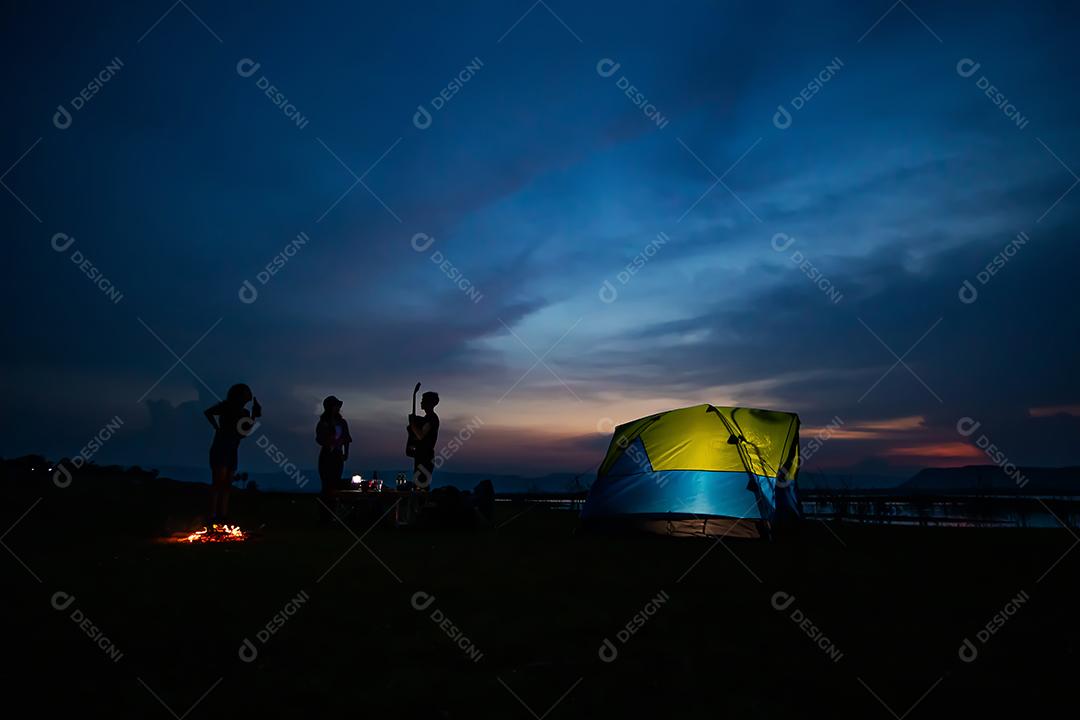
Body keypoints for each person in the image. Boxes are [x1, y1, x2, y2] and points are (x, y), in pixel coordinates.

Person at [204, 384, 261, 525]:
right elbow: (208, 412)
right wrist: (216, 427)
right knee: (219, 482)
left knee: (227, 483)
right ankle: (212, 515)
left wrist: (253, 416)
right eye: (247, 393)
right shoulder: (226, 407)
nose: (249, 395)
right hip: (221, 447)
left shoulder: (243, 413)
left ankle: (222, 515)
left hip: (232, 448)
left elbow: (244, 432)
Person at [315, 395, 352, 520]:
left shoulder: (342, 423)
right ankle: (324, 515)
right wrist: (329, 442)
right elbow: (319, 439)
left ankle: (332, 514)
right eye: (335, 406)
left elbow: (346, 439)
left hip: (337, 456)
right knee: (326, 485)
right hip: (326, 456)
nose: (338, 408)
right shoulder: (323, 423)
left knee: (335, 484)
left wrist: (345, 453)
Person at [408, 391, 440, 490]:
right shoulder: (427, 418)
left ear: (430, 403)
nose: (421, 403)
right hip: (421, 455)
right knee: (418, 484)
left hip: (425, 457)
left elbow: (421, 435)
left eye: (423, 401)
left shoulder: (432, 418)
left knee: (421, 486)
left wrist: (413, 424)